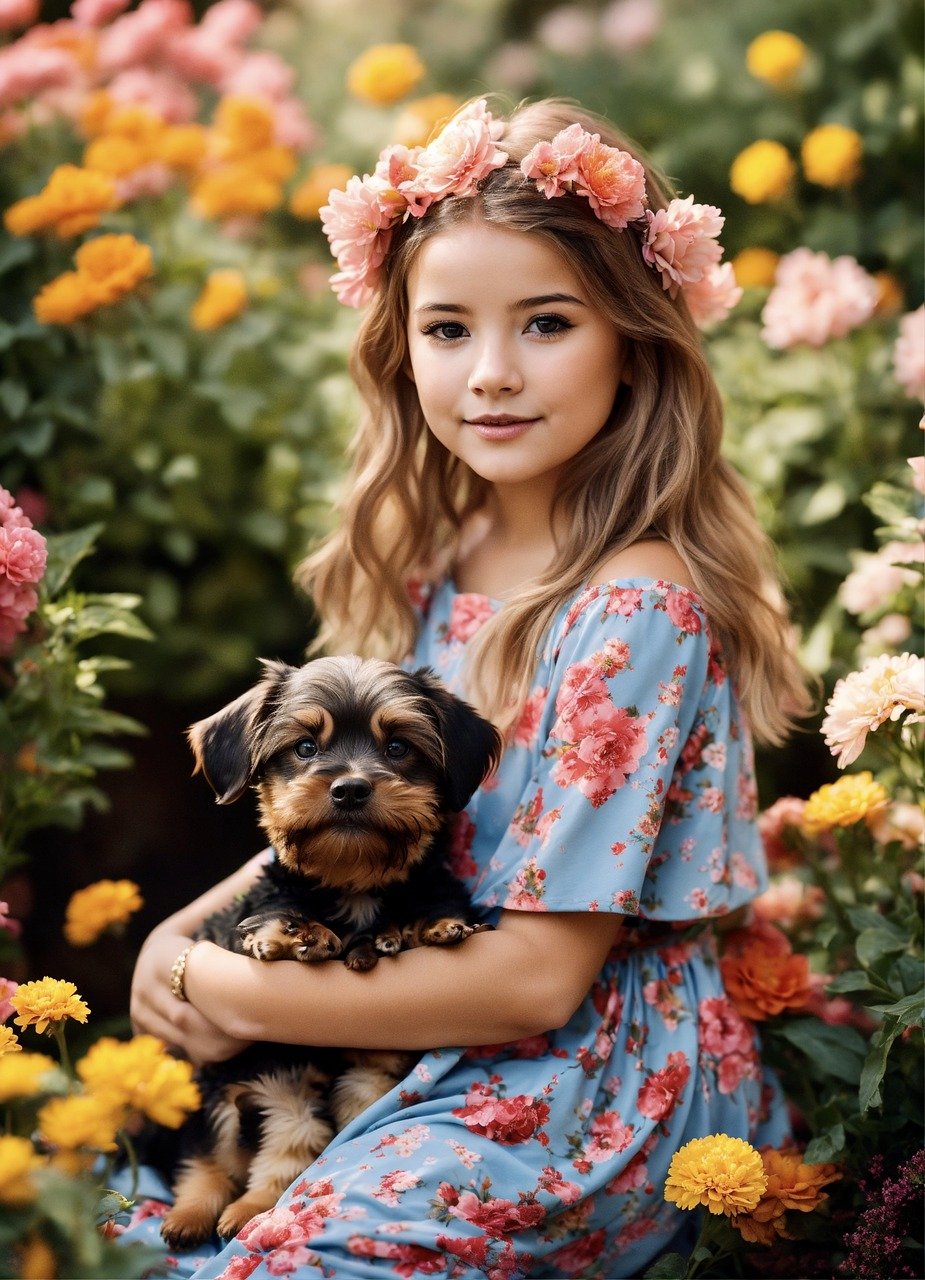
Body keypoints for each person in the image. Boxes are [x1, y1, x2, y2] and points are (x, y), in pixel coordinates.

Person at [125, 96, 811, 1279]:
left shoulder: (634, 605)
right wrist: (176, 937)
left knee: (280, 1265)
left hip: (583, 1076)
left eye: (546, 324)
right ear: (402, 349)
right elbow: (339, 811)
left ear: (634, 342)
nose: (490, 375)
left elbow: (538, 979)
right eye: (447, 330)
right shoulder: (435, 566)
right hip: (411, 1008)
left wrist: (229, 987)